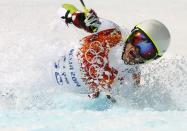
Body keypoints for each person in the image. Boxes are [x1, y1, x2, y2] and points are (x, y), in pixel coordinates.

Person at [54, 3, 170, 102]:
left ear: (152, 59)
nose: (136, 50)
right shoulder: (110, 32)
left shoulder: (131, 79)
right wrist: (77, 17)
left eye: (147, 51)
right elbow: (61, 9)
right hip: (48, 70)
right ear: (131, 33)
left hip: (58, 96)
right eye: (137, 40)